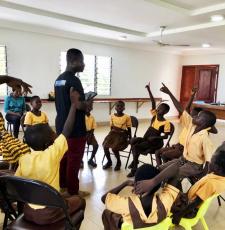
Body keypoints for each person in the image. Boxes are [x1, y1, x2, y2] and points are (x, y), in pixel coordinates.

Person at [14, 88, 85, 227]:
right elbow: (66, 130)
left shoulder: (23, 159)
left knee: (64, 197)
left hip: (28, 211)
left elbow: (18, 185)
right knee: (80, 201)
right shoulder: (51, 154)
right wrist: (73, 105)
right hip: (48, 213)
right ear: (48, 143)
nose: (54, 135)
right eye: (52, 134)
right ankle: (70, 226)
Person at [134, 83, 217, 194]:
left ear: (204, 123)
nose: (194, 116)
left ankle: (178, 198)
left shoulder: (205, 138)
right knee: (160, 169)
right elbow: (181, 109)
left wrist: (202, 176)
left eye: (198, 116)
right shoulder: (192, 126)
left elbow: (208, 162)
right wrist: (169, 93)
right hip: (182, 159)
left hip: (194, 166)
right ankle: (159, 187)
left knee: (172, 175)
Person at [134, 142, 225, 226]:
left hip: (188, 210)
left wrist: (180, 215)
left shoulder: (210, 183)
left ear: (218, 168)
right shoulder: (220, 179)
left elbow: (196, 202)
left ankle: (147, 213)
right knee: (174, 175)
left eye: (211, 162)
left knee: (157, 200)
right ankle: (154, 187)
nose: (209, 164)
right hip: (187, 200)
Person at [55, 48, 92, 196]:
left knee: (64, 157)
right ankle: (73, 191)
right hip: (75, 127)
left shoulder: (59, 79)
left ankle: (62, 186)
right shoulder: (74, 80)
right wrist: (88, 103)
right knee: (74, 159)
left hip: (61, 126)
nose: (83, 65)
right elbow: (79, 105)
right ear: (73, 61)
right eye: (82, 61)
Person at [101, 164, 179, 229]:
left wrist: (125, 183)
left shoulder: (126, 205)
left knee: (108, 213)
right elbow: (176, 168)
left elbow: (104, 198)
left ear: (136, 183)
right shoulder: (165, 201)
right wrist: (154, 181)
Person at [127, 83, 171, 177]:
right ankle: (135, 161)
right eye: (158, 108)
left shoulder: (166, 123)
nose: (158, 110)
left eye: (161, 109)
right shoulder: (155, 116)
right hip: (147, 138)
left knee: (135, 147)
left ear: (165, 112)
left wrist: (156, 137)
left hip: (155, 142)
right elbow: (153, 102)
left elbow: (166, 136)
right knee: (133, 141)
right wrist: (149, 90)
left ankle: (134, 168)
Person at [155, 87, 199, 166]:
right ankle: (160, 169)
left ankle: (165, 171)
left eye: (192, 115)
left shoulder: (193, 124)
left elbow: (180, 108)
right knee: (157, 152)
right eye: (190, 114)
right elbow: (187, 108)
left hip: (183, 149)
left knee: (165, 155)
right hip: (178, 145)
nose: (189, 115)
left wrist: (169, 93)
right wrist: (192, 96)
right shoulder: (189, 122)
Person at [102, 100, 132, 171]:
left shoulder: (127, 117)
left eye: (121, 106)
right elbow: (111, 127)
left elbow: (129, 128)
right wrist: (110, 136)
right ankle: (109, 161)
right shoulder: (112, 116)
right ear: (115, 107)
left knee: (114, 148)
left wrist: (130, 138)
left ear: (124, 108)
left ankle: (118, 162)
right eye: (118, 106)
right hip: (113, 133)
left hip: (122, 135)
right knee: (105, 146)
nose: (119, 107)